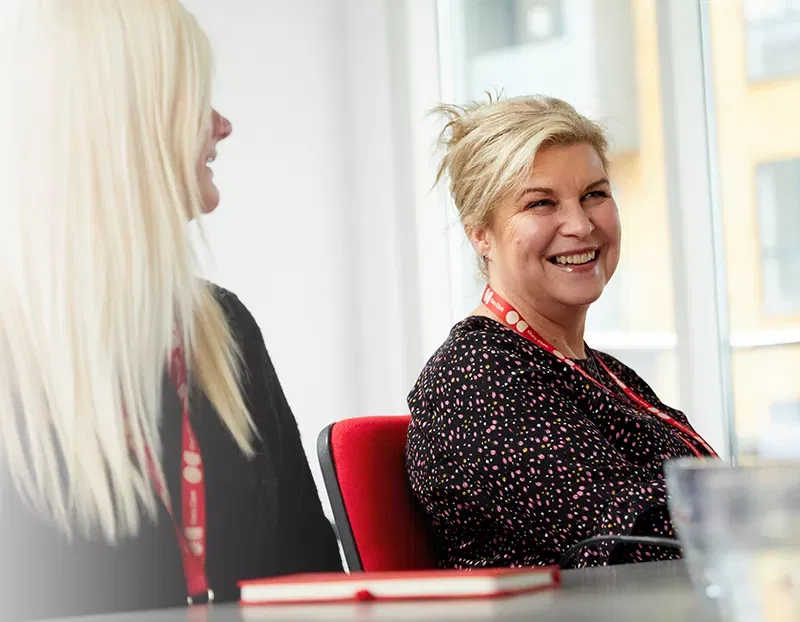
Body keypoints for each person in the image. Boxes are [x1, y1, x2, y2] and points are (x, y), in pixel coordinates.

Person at [0, 1, 342, 619]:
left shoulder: (222, 330)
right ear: (124, 120)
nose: (223, 125)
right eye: (195, 98)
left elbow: (311, 581)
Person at [405, 95, 718, 571]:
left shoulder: (606, 372)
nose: (580, 224)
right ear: (481, 235)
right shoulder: (474, 377)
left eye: (595, 193)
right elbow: (637, 539)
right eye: (541, 203)